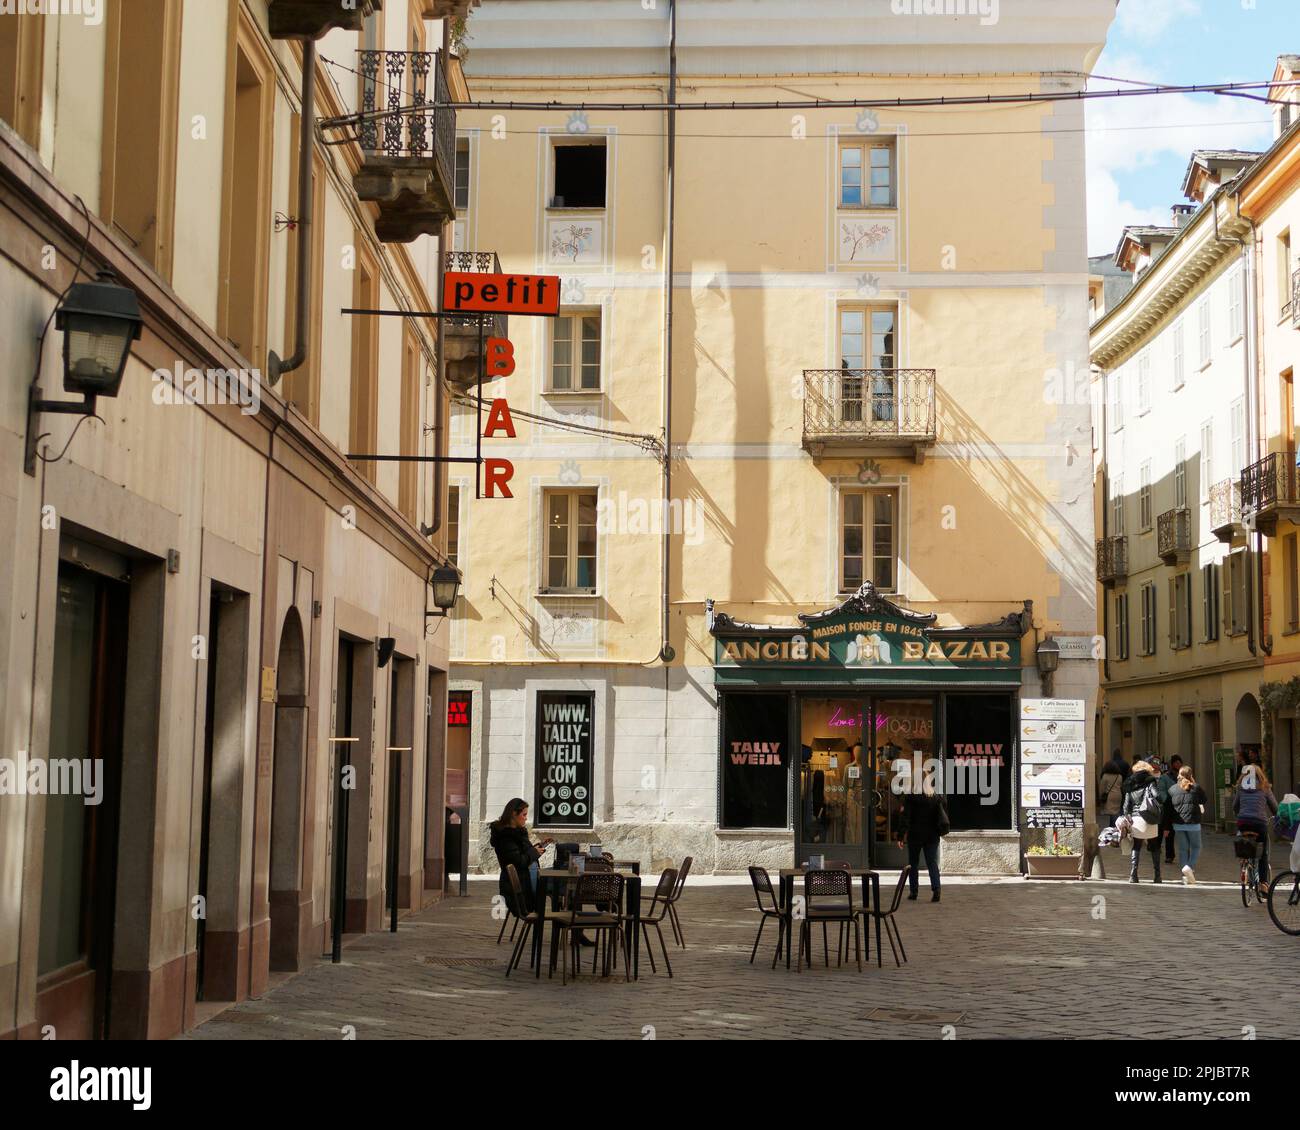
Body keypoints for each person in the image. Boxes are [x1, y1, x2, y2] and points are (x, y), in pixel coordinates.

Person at [488, 798, 550, 915]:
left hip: (529, 877)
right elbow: (519, 861)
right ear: (513, 814)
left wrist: (537, 849)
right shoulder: (506, 837)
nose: (526, 818)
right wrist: (533, 853)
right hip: (523, 885)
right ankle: (571, 921)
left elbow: (524, 853)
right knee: (565, 885)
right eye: (524, 814)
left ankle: (573, 923)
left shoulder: (519, 832)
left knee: (565, 882)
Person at [897, 769, 947, 902]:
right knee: (932, 863)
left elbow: (905, 818)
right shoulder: (936, 797)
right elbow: (942, 815)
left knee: (913, 863)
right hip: (932, 836)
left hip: (915, 834)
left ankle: (914, 892)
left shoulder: (911, 797)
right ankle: (936, 889)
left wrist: (901, 836)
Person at [1233, 765, 1279, 892]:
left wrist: (1239, 815)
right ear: (1260, 775)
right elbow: (1275, 807)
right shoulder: (1265, 787)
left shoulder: (1241, 787)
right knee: (1263, 853)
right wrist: (1276, 816)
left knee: (1245, 847)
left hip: (1243, 822)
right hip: (1259, 823)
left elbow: (1235, 806)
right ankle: (1263, 884)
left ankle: (1244, 863)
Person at [1121, 760, 1163, 883]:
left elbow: (1125, 806)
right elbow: (1157, 796)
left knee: (1137, 846)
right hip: (1149, 817)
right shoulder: (1150, 781)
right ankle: (1157, 876)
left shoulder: (1129, 783)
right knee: (1155, 847)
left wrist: (1127, 817)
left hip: (1135, 819)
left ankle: (1133, 875)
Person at [1167, 765, 1207, 885]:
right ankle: (1189, 867)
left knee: (1183, 849)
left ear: (1179, 775)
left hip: (1178, 824)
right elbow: (1204, 800)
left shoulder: (1172, 789)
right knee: (1196, 847)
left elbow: (1169, 806)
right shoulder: (1196, 787)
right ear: (1191, 775)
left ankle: (1185, 876)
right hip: (1193, 822)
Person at [1159, 756, 1183, 865]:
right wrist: (1167, 800)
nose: (1178, 765)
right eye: (1176, 762)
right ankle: (1169, 855)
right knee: (1169, 832)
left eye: (1179, 763)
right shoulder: (1165, 777)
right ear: (1172, 764)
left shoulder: (1184, 776)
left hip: (1182, 807)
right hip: (1169, 806)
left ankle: (1184, 854)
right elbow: (1161, 791)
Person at [1098, 750, 1129, 828]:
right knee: (1116, 812)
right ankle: (1115, 826)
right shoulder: (1119, 776)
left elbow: (1102, 788)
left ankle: (1112, 827)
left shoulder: (1105, 776)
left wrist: (1101, 796)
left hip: (1109, 796)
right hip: (1118, 795)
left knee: (1111, 813)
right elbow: (1121, 785)